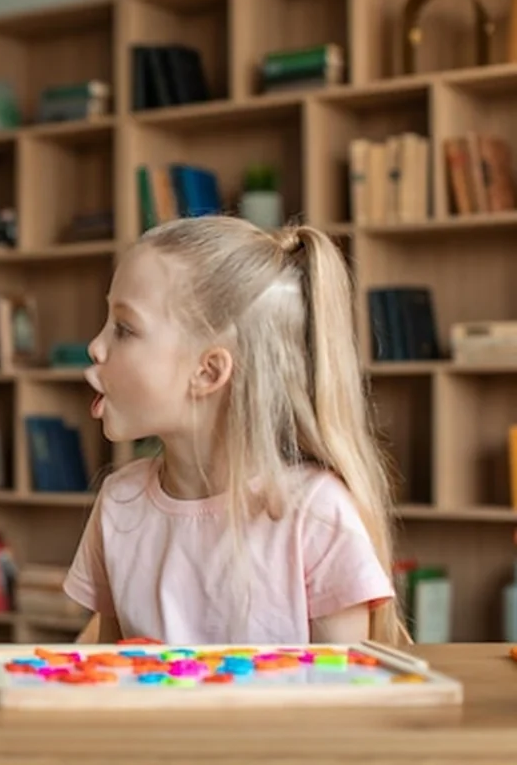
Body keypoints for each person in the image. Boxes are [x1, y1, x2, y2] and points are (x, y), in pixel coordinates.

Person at [65, 215, 405, 646]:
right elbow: (108, 672)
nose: (95, 346)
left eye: (124, 329)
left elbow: (342, 686)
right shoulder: (119, 503)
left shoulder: (316, 516)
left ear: (208, 372)